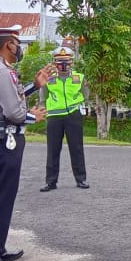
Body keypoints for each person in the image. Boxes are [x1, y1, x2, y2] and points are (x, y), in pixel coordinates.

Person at [0, 25, 52, 261]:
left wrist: (35, 85)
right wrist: (32, 117)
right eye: (17, 43)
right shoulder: (0, 71)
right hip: (3, 141)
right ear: (8, 44)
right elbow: (14, 112)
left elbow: (9, 98)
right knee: (0, 200)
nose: (19, 48)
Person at [39, 45, 89, 191]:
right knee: (53, 150)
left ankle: (81, 179)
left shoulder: (79, 78)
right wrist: (43, 111)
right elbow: (43, 98)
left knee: (77, 148)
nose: (63, 64)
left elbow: (85, 95)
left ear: (71, 62)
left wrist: (79, 107)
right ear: (55, 62)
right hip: (54, 117)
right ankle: (51, 182)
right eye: (60, 61)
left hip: (73, 115)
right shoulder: (49, 79)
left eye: (66, 61)